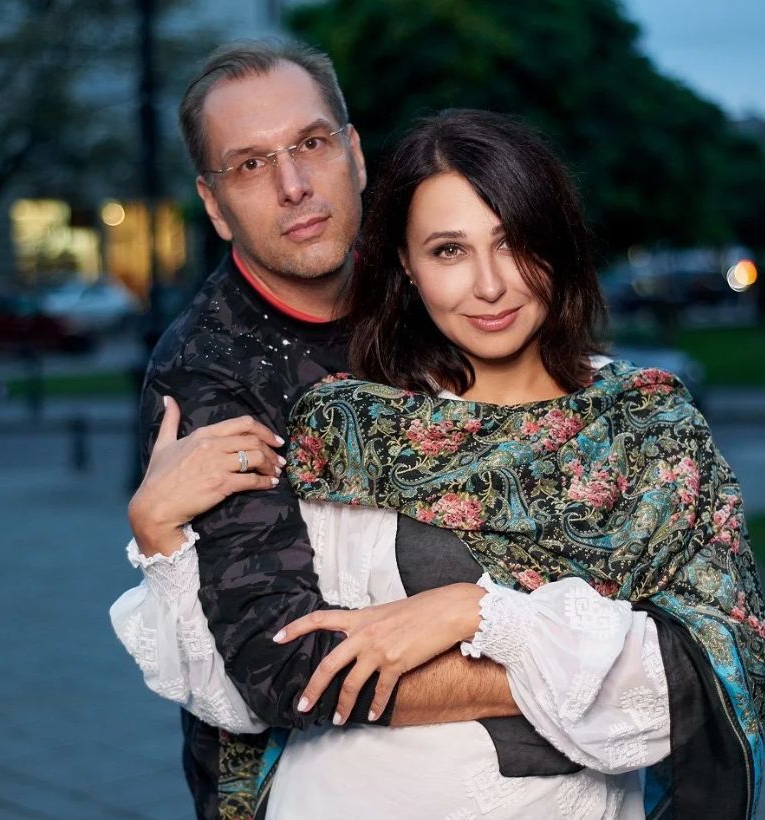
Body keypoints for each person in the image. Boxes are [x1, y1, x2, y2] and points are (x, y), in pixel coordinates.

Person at [116, 105, 765, 817]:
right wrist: (160, 537)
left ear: (558, 243)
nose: (489, 286)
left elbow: (690, 688)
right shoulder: (342, 426)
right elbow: (248, 694)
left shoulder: (645, 429)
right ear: (407, 266)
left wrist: (474, 612)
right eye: (449, 251)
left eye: (513, 242)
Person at [112, 41, 524, 820]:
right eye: (251, 165)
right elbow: (286, 666)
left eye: (310, 143)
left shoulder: (433, 281)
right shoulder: (209, 374)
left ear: (355, 154)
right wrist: (569, 674)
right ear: (213, 204)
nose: (294, 185)